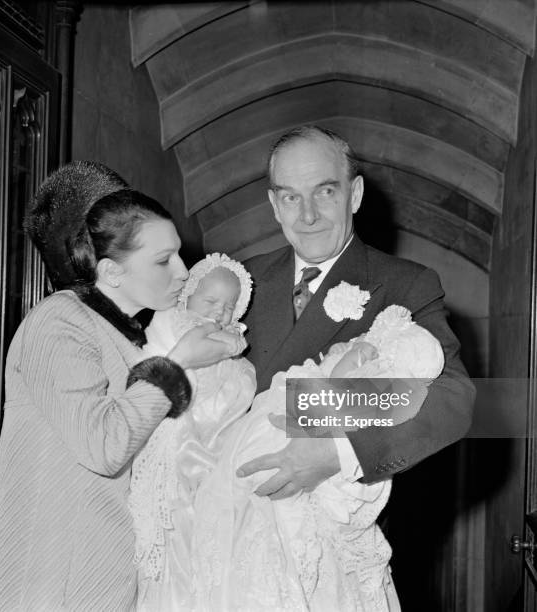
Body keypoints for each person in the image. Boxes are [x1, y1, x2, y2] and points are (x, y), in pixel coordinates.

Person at [0, 162, 242, 611]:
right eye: (164, 260)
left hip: (106, 576)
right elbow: (104, 444)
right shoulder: (59, 321)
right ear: (112, 272)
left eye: (178, 254)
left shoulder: (130, 334)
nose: (183, 272)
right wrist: (178, 365)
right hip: (49, 579)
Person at [238, 125, 475, 495]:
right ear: (273, 205)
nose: (308, 216)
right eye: (290, 198)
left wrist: (339, 453)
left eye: (325, 191)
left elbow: (454, 400)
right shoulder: (242, 279)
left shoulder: (406, 284)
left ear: (355, 194)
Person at [189, 304, 445, 611]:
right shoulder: (239, 282)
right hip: (221, 462)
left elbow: (448, 402)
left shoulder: (408, 296)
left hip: (307, 476)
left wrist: (336, 452)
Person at [128, 253, 257, 610]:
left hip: (221, 455)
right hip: (175, 446)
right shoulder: (170, 323)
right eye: (211, 301)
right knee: (174, 542)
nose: (220, 312)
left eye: (230, 306)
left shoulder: (234, 345)